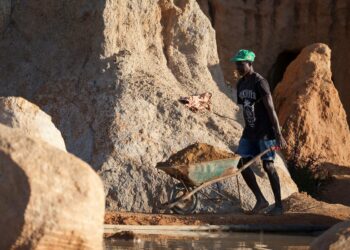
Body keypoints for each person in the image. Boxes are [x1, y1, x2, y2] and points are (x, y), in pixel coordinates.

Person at [230, 49, 287, 216]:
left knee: (268, 166)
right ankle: (261, 200)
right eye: (237, 63)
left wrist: (278, 134)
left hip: (266, 133)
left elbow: (271, 109)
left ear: (250, 64)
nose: (238, 66)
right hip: (250, 132)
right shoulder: (241, 84)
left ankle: (278, 206)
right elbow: (246, 108)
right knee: (240, 162)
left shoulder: (260, 82)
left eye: (241, 64)